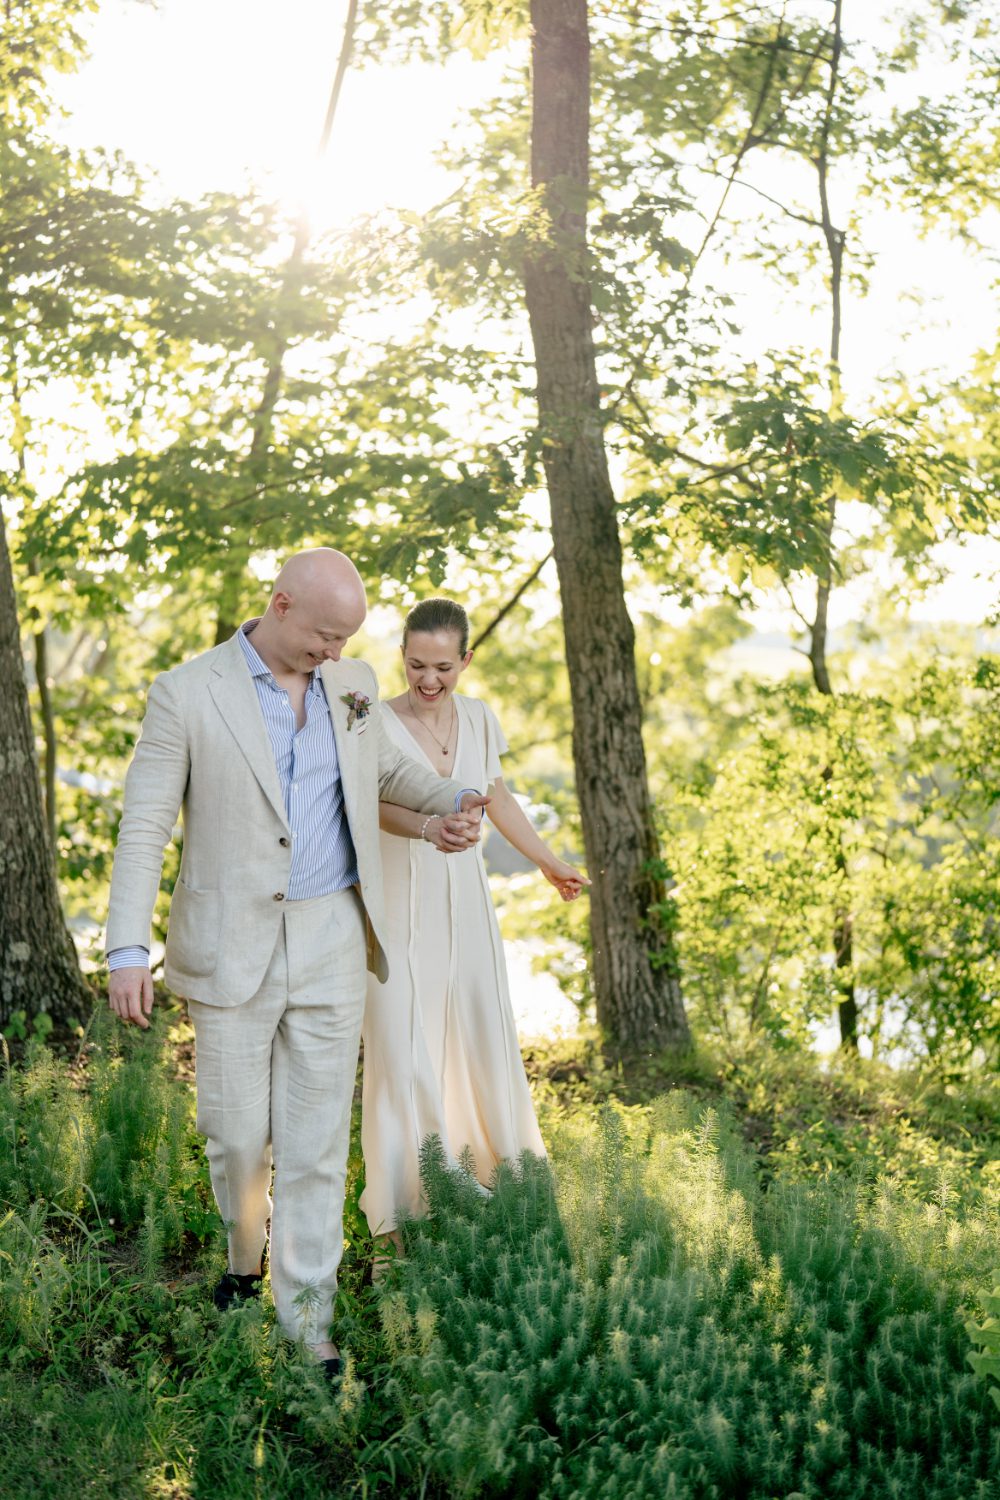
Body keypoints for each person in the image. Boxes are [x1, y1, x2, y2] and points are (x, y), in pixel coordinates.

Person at [105, 550, 488, 1378]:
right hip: (228, 949)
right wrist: (127, 948)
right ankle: (244, 1264)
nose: (335, 650)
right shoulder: (187, 693)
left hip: (333, 941)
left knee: (316, 1146)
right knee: (236, 1139)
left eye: (346, 637)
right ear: (279, 606)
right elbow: (144, 826)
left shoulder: (350, 686)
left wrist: (452, 801)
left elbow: (390, 771)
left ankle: (306, 1322)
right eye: (323, 633)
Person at [360, 597, 588, 1259]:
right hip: (399, 910)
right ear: (401, 655)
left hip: (466, 903)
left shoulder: (480, 717)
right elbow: (368, 805)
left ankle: (491, 1179)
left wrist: (547, 861)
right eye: (415, 665)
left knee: (478, 1035)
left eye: (442, 667)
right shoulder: (373, 722)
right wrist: (428, 825)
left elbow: (497, 795)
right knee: (404, 1052)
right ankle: (402, 1216)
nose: (428, 680)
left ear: (465, 660)